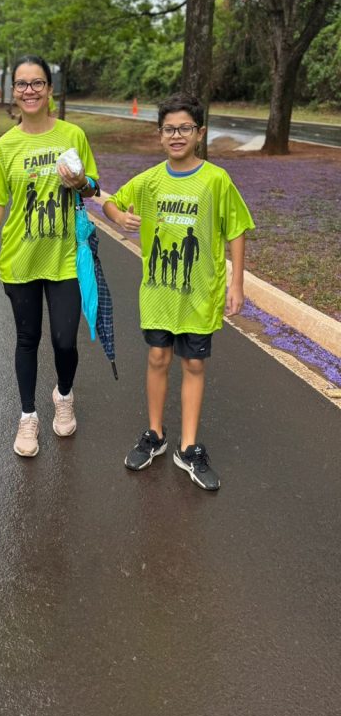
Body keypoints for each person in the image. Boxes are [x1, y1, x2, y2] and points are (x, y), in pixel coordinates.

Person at [103, 93, 255, 491]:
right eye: (169, 128)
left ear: (200, 133)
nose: (176, 135)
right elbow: (111, 205)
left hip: (199, 294)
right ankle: (155, 433)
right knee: (157, 357)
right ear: (159, 135)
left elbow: (236, 229)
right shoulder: (151, 179)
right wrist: (120, 215)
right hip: (157, 293)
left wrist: (236, 282)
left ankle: (188, 447)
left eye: (185, 128)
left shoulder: (215, 180)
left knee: (193, 365)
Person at [0, 54, 99, 459]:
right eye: (22, 84)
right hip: (21, 260)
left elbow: (92, 187)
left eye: (37, 83)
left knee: (64, 340)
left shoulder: (73, 135)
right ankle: (28, 416)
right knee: (28, 338)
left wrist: (81, 182)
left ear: (49, 90)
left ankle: (63, 394)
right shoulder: (5, 147)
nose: (29, 90)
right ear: (14, 93)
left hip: (64, 258)